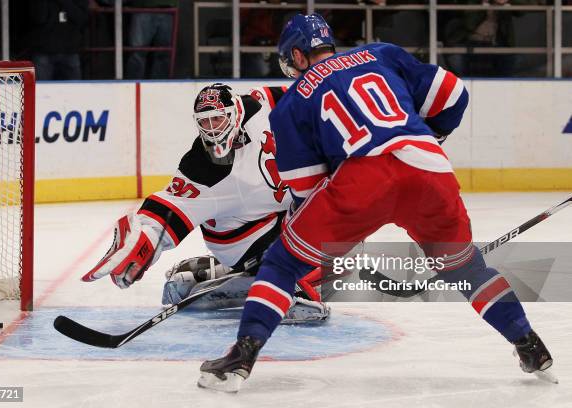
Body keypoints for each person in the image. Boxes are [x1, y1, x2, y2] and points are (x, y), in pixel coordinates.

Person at [197, 13, 555, 392]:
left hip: (362, 180)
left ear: (299, 56)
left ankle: (241, 357)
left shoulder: (291, 102)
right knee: (467, 268)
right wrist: (429, 136)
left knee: (283, 263)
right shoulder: (381, 53)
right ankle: (529, 345)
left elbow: (305, 186)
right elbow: (452, 94)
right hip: (429, 168)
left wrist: (307, 236)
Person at [82, 83, 329, 324]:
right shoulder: (202, 168)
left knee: (344, 252)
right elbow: (167, 210)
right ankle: (274, 281)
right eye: (204, 121)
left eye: (217, 119)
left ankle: (220, 272)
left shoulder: (256, 106)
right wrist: (141, 245)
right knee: (326, 266)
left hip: (276, 213)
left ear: (235, 114)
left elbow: (298, 94)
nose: (212, 129)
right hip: (242, 237)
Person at [28, 0, 89, 80]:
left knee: (74, 90)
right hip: (43, 51)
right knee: (41, 90)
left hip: (70, 51)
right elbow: (39, 18)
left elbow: (81, 19)